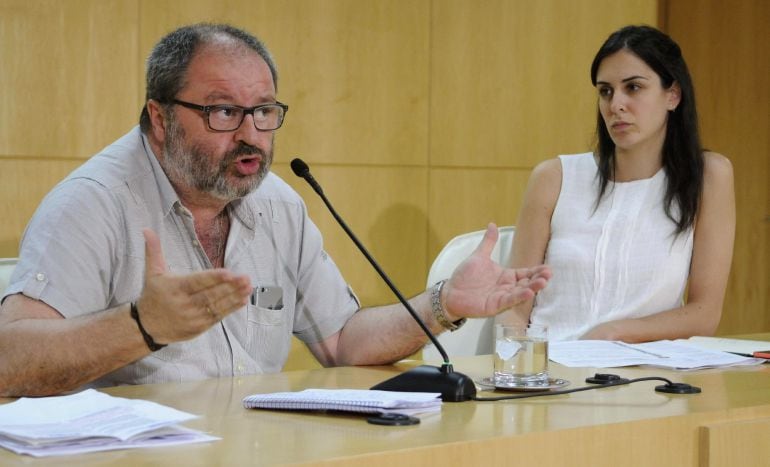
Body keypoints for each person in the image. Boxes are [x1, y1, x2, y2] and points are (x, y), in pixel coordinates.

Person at [0, 23, 551, 397]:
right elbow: (9, 360)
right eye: (222, 111)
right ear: (160, 117)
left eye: (263, 111)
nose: (251, 136)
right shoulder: (94, 203)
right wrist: (141, 326)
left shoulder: (277, 204)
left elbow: (342, 341)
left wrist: (440, 303)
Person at [497, 25, 734, 342]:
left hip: (646, 375)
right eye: (605, 91)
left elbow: (704, 313)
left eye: (633, 88)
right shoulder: (553, 177)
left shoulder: (709, 175)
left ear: (673, 95)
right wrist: (518, 368)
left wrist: (613, 332)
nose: (616, 105)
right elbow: (514, 306)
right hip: (550, 373)